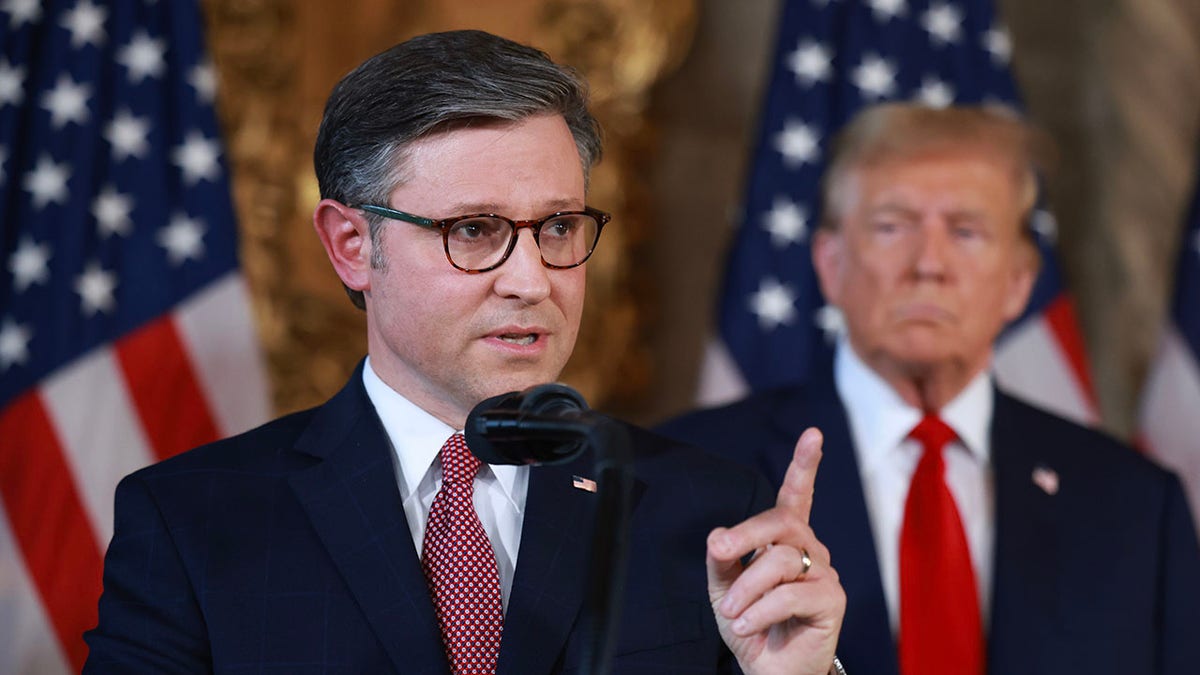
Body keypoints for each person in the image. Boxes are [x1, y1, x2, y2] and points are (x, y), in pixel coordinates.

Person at [83, 30, 846, 675]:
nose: (531, 280)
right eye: (474, 230)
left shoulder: (714, 516)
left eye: (557, 228)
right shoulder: (192, 523)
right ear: (353, 245)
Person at [660, 104, 1200, 675]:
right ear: (830, 263)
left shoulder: (1135, 505)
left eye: (966, 231)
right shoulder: (693, 476)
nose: (929, 263)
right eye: (892, 227)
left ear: (1019, 282)